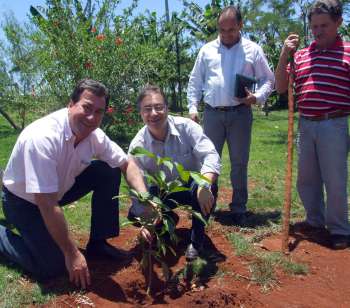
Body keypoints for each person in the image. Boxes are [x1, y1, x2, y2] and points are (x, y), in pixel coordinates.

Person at [0, 79, 151, 288]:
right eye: (86, 107)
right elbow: (46, 202)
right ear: (70, 104)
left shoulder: (94, 135)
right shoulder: (43, 137)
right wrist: (71, 252)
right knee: (52, 266)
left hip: (58, 190)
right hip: (23, 202)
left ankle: (99, 244)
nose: (91, 118)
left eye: (99, 112)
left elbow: (127, 164)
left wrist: (144, 199)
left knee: (107, 171)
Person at [187, 5, 274, 226]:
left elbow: (269, 79)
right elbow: (195, 80)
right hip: (213, 115)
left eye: (231, 30)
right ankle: (205, 205)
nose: (226, 34)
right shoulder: (206, 50)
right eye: (222, 30)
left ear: (240, 26)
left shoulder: (253, 50)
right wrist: (192, 107)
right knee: (206, 161)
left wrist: (256, 97)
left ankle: (238, 208)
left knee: (239, 163)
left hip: (240, 114)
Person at [275, 0, 350, 249]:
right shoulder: (302, 55)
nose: (318, 31)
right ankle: (315, 221)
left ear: (338, 23)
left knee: (335, 179)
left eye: (324, 26)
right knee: (306, 179)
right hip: (306, 125)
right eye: (314, 26)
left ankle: (339, 229)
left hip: (334, 124)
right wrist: (285, 53)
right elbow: (281, 87)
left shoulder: (348, 52)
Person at [128, 85, 221, 260]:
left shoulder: (187, 127)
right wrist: (146, 219)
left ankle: (196, 241)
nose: (154, 113)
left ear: (167, 108)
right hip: (160, 193)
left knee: (208, 188)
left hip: (188, 188)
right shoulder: (137, 145)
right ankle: (167, 220)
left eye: (158, 107)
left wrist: (204, 184)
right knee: (134, 213)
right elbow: (136, 181)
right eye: (147, 109)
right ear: (140, 113)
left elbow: (211, 155)